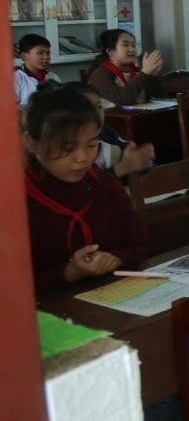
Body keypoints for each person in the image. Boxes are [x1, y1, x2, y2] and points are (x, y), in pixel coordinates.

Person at [22, 86, 153, 292]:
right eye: (67, 148)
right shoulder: (16, 201)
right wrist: (70, 272)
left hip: (113, 297)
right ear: (32, 143)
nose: (82, 158)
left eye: (92, 145)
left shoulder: (106, 185)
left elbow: (141, 245)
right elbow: (12, 284)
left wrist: (115, 259)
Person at [66, 82, 155, 179]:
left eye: (99, 107)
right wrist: (122, 168)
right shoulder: (66, 147)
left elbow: (128, 156)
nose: (97, 114)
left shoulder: (107, 134)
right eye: (88, 109)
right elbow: (87, 185)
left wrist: (140, 158)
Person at [87, 28, 166, 106]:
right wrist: (145, 73)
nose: (132, 49)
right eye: (126, 45)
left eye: (133, 45)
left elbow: (160, 97)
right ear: (110, 51)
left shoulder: (138, 70)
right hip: (115, 118)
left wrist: (153, 76)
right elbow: (123, 100)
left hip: (142, 115)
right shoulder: (100, 75)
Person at [15, 33, 60, 107]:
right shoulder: (16, 79)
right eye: (40, 53)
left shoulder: (54, 77)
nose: (46, 57)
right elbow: (12, 110)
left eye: (48, 53)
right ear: (24, 56)